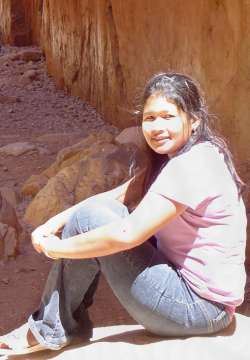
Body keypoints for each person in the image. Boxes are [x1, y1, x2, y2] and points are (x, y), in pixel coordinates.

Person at [0, 72, 247, 356]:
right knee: (98, 212)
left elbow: (128, 234)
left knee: (93, 220)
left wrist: (57, 248)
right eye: (149, 118)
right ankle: (59, 325)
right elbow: (118, 195)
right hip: (204, 303)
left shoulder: (190, 165)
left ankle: (51, 327)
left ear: (194, 121)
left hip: (198, 310)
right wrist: (54, 222)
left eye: (168, 117)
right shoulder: (197, 154)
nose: (157, 127)